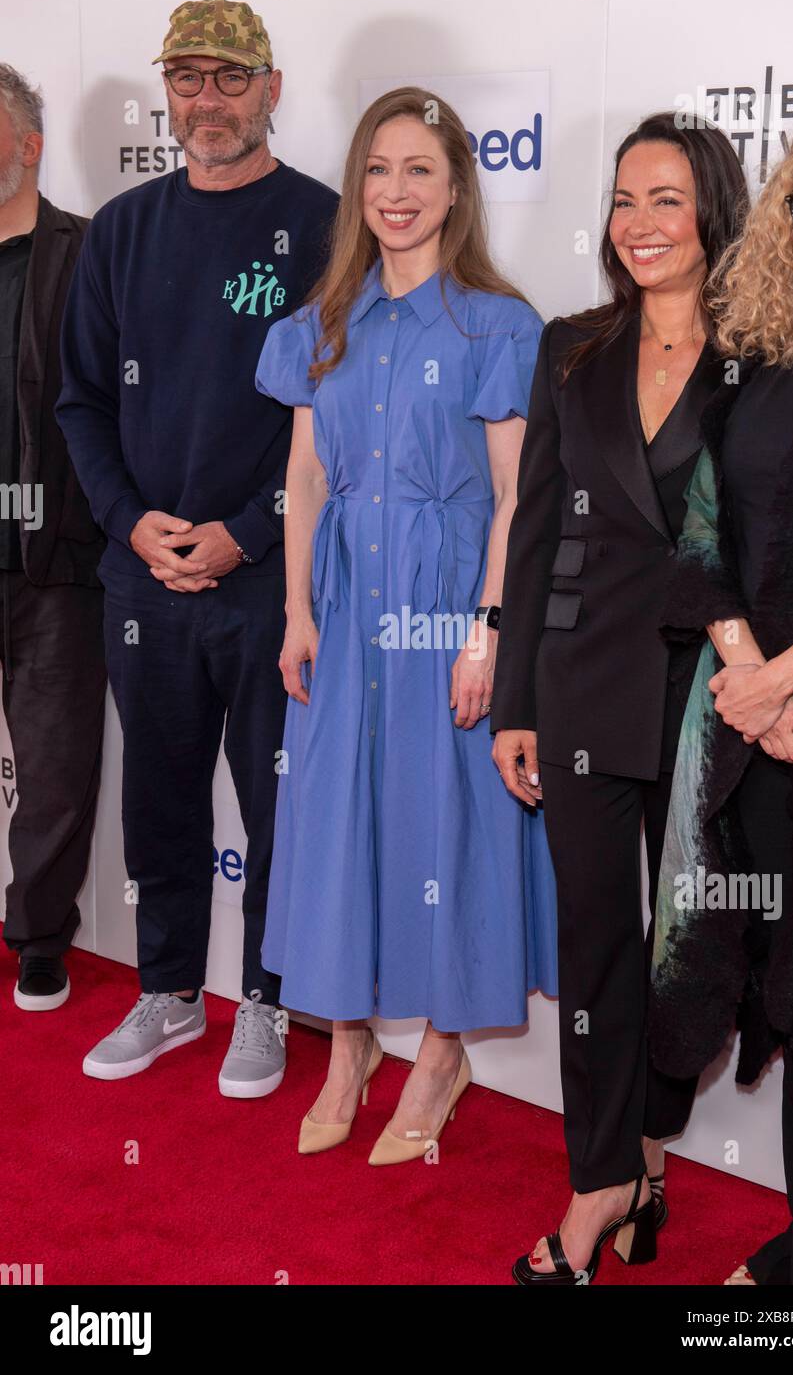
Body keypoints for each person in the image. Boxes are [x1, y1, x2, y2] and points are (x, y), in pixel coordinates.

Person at [255, 85, 557, 1162]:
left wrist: (485, 629)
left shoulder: (497, 324)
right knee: (339, 823)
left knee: (449, 823)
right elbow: (303, 474)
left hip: (444, 609)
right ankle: (345, 1042)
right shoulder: (319, 323)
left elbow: (517, 496)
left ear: (455, 188)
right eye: (377, 170)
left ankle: (439, 1049)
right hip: (342, 606)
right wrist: (294, 610)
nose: (395, 192)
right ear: (356, 185)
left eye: (418, 170)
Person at [55, 0, 338, 1096]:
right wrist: (134, 524)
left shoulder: (322, 224)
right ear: (165, 93)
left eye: (229, 78)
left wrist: (249, 530)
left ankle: (263, 1000)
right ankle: (170, 991)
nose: (206, 99)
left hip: (270, 578)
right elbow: (81, 401)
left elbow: (338, 414)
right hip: (143, 575)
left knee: (275, 802)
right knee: (159, 796)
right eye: (187, 79)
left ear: (270, 89)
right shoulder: (121, 227)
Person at [490, 113, 749, 1284]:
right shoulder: (569, 348)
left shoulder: (763, 355)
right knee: (593, 944)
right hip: (585, 687)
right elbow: (535, 532)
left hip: (710, 698)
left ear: (710, 213)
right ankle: (598, 1181)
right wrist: (514, 702)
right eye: (622, 200)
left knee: (687, 952)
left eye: (665, 199)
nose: (638, 224)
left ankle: (646, 1152)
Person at [649, 108, 793, 1286]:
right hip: (762, 744)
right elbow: (698, 535)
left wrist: (778, 673)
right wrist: (744, 672)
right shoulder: (762, 372)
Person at [0, 64, 106, 1012]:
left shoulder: (84, 252)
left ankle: (37, 936)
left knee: (57, 767)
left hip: (55, 562)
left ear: (30, 144)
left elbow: (112, 404)